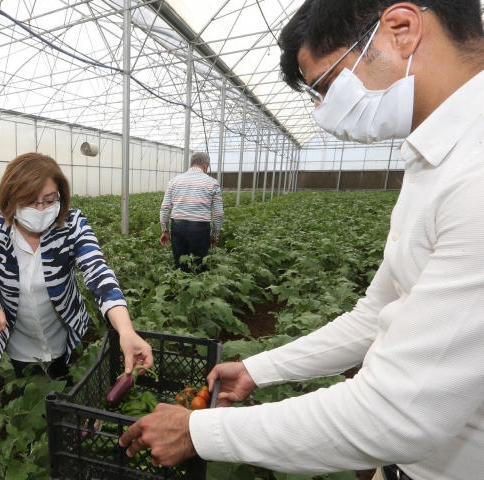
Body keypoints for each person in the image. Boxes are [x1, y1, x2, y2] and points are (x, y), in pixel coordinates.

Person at [119, 2, 484, 480]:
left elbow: (399, 411)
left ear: (402, 30)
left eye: (328, 85)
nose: (323, 110)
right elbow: (375, 316)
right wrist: (258, 369)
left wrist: (198, 432)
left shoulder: (474, 176)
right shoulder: (435, 160)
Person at [0, 153, 154, 381]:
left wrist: (125, 330)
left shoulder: (71, 224)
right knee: (31, 397)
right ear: (10, 198)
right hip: (18, 342)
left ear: (60, 196)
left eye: (49, 200)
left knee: (69, 388)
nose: (40, 210)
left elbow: (98, 272)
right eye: (29, 201)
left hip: (67, 337)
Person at [159, 152, 223, 273]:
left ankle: (183, 289)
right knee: (198, 267)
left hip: (177, 226)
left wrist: (165, 230)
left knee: (181, 265)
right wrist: (214, 234)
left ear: (191, 164)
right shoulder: (212, 183)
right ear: (206, 165)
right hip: (199, 229)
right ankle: (195, 290)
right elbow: (218, 213)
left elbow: (165, 207)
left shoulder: (174, 181)